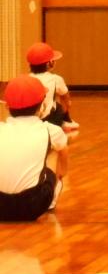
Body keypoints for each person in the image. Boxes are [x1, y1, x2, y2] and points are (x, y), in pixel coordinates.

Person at [0, 75, 68, 221]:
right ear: (42, 105)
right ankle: (53, 197)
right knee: (54, 150)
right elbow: (64, 154)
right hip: (33, 205)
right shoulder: (51, 130)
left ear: (7, 106)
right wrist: (62, 174)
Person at [27, 42, 78, 130]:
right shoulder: (56, 79)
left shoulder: (26, 79)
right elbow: (66, 100)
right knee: (60, 102)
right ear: (49, 64)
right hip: (49, 120)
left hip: (28, 120)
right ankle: (66, 120)